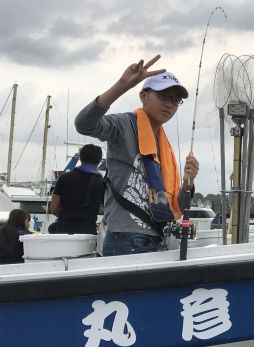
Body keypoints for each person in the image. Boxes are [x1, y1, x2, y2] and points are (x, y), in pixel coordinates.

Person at [74, 55, 199, 256]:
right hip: (125, 237)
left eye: (176, 100)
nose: (170, 105)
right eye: (164, 96)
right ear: (143, 96)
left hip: (159, 238)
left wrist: (188, 184)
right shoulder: (124, 125)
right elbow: (84, 124)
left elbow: (178, 207)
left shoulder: (163, 145)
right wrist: (122, 85)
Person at [50, 144, 105, 235]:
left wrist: (66, 217)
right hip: (88, 230)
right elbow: (108, 211)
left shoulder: (64, 178)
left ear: (80, 158)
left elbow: (53, 208)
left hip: (64, 229)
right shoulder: (101, 183)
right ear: (99, 161)